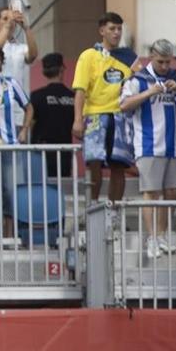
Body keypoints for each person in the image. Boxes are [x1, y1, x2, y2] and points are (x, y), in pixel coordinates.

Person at [122, 39, 176, 262]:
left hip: (174, 145)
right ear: (151, 57)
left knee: (172, 192)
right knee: (151, 192)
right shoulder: (139, 79)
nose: (164, 66)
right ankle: (151, 237)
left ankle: (162, 235)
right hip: (148, 144)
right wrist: (149, 93)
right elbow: (124, 104)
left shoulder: (174, 76)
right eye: (161, 62)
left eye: (168, 62)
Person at [73, 11, 134, 207]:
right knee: (94, 164)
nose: (116, 33)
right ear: (102, 31)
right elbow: (80, 90)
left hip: (120, 116)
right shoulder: (88, 56)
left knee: (118, 166)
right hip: (95, 116)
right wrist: (77, 119)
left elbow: (141, 83)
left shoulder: (129, 58)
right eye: (111, 29)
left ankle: (113, 211)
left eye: (119, 29)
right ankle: (92, 207)